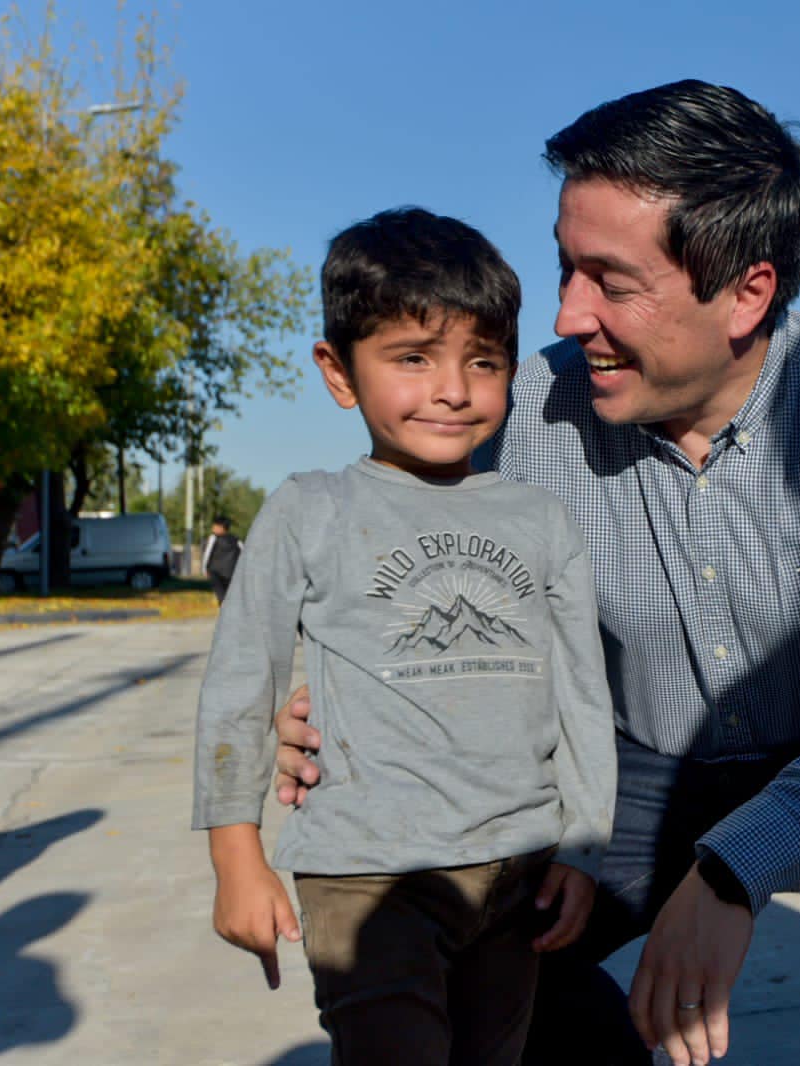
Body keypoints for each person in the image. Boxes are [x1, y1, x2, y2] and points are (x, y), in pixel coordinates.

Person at [276, 82, 800, 1066]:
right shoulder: (525, 415)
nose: (566, 312)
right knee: (479, 922)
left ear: (747, 293)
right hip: (630, 764)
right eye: (564, 267)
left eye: (610, 281)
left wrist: (733, 871)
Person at [193, 207, 615, 1065]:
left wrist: (583, 844)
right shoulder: (311, 509)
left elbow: (580, 691)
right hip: (365, 876)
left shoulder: (540, 517)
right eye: (412, 358)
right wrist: (235, 854)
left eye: (483, 361)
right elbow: (244, 680)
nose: (452, 389)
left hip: (518, 870)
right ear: (339, 371)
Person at [200, 515, 240, 605]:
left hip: (215, 572)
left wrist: (204, 569)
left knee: (221, 596)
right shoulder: (236, 539)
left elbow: (207, 553)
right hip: (231, 573)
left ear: (221, 527)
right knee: (228, 596)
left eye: (215, 525)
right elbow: (244, 553)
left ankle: (224, 612)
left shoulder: (213, 538)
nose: (213, 528)